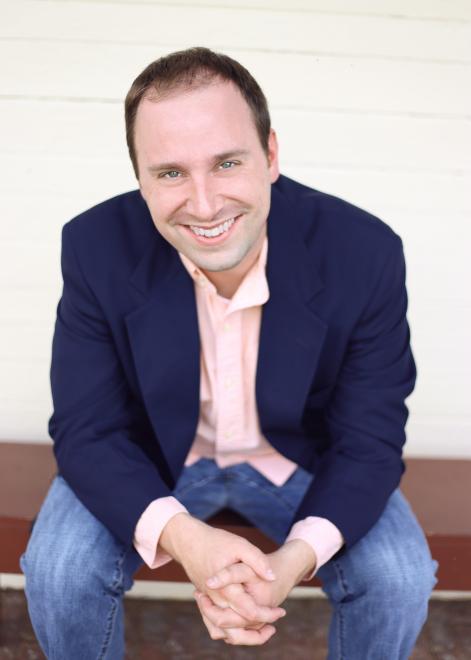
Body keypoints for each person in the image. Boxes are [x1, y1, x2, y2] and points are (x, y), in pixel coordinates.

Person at [21, 46, 437, 658]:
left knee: (399, 578)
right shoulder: (94, 246)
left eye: (227, 163)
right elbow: (87, 430)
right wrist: (186, 539)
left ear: (271, 154)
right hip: (153, 460)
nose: (205, 203)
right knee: (59, 570)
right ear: (140, 178)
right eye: (170, 173)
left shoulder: (364, 252)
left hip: (300, 459)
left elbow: (369, 438)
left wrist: (292, 561)